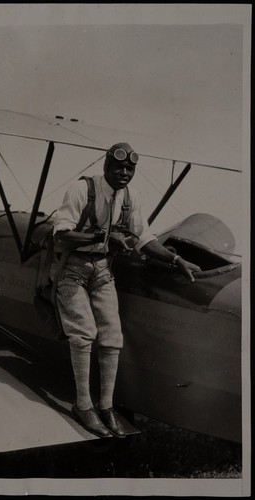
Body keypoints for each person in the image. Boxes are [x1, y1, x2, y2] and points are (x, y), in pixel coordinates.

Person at [52, 142, 201, 438]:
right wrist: (103, 236)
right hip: (73, 269)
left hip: (103, 270)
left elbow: (144, 238)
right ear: (105, 166)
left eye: (129, 169)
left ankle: (106, 408)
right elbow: (61, 234)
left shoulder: (130, 196)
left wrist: (176, 259)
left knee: (112, 336)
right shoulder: (83, 190)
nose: (123, 173)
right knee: (83, 333)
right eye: (118, 167)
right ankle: (83, 405)